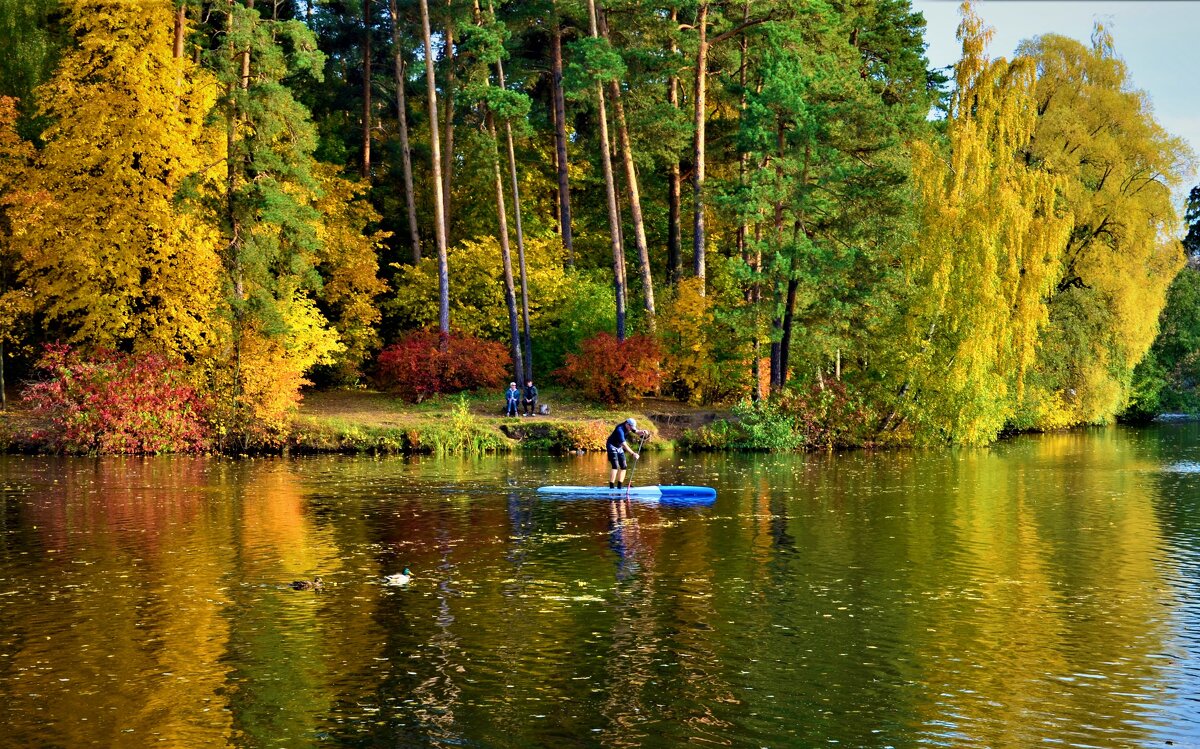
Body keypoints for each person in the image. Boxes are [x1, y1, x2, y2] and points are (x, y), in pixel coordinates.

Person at [606, 417, 650, 489]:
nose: (631, 429)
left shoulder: (629, 426)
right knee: (615, 466)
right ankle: (611, 487)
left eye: (632, 427)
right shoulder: (619, 430)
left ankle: (619, 487)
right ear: (627, 424)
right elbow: (624, 445)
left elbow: (636, 431)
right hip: (611, 446)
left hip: (619, 447)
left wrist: (643, 431)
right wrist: (633, 454)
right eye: (630, 427)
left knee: (624, 466)